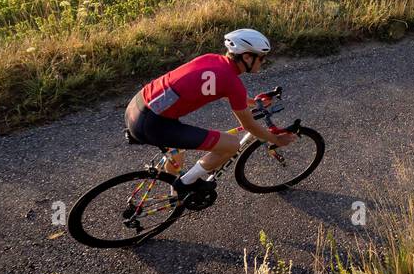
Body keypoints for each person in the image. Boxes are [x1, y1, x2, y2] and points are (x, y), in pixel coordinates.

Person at [124, 28, 293, 202]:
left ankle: (176, 198)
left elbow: (221, 89)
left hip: (138, 106)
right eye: (261, 57)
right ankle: (186, 184)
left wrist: (253, 102)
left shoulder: (212, 59)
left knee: (178, 154)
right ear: (247, 57)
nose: (263, 62)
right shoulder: (232, 82)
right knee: (231, 144)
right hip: (153, 123)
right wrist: (277, 140)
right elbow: (249, 125)